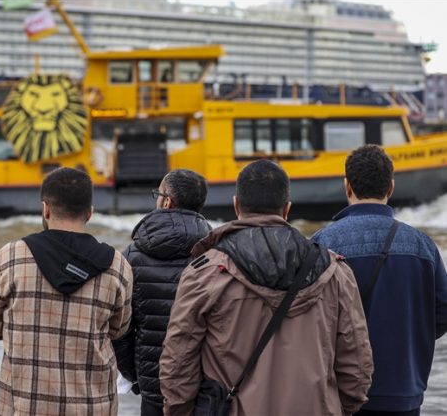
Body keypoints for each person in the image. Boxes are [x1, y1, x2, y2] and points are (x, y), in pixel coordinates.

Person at [160, 159, 373, 416]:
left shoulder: (204, 274)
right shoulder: (336, 272)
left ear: (236, 205)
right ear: (287, 209)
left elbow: (178, 365)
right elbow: (357, 370)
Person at [0, 167, 132, 415]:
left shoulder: (11, 257)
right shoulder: (117, 265)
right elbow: (118, 329)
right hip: (94, 406)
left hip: (23, 405)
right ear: (89, 213)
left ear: (45, 209)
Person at [312, 145, 447, 416]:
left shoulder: (321, 244)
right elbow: (443, 310)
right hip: (404, 392)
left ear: (347, 187)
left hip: (341, 393)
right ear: (391, 187)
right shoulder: (423, 246)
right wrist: (410, 336)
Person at [112, 169, 213, 415]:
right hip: (205, 386)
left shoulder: (132, 256)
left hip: (153, 384)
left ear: (167, 201)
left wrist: (136, 375)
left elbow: (120, 330)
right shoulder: (217, 253)